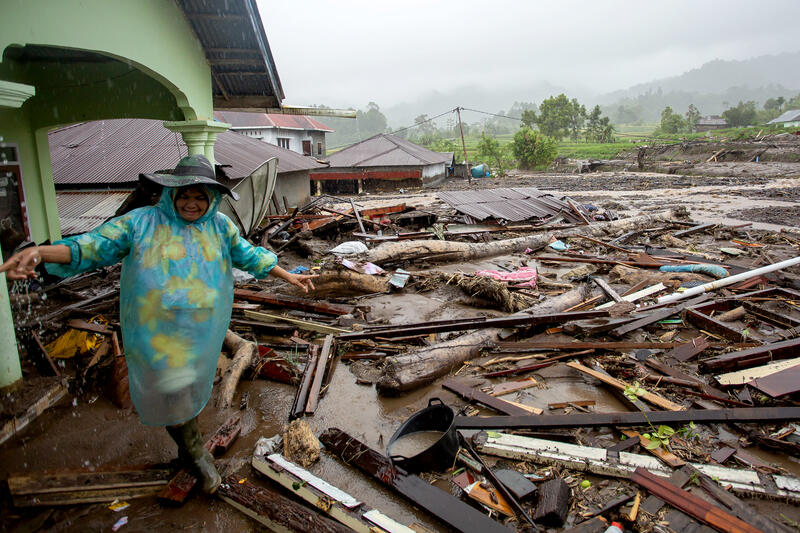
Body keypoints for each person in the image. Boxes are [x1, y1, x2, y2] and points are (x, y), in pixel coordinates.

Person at [0, 154, 317, 493]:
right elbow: (91, 247)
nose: (191, 203)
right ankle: (197, 455)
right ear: (171, 194)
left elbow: (249, 256)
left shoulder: (220, 227)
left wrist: (289, 276)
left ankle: (185, 451)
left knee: (190, 388)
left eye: (200, 197)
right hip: (155, 331)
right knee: (171, 390)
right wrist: (41, 254)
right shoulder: (141, 223)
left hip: (202, 330)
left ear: (211, 198)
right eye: (184, 195)